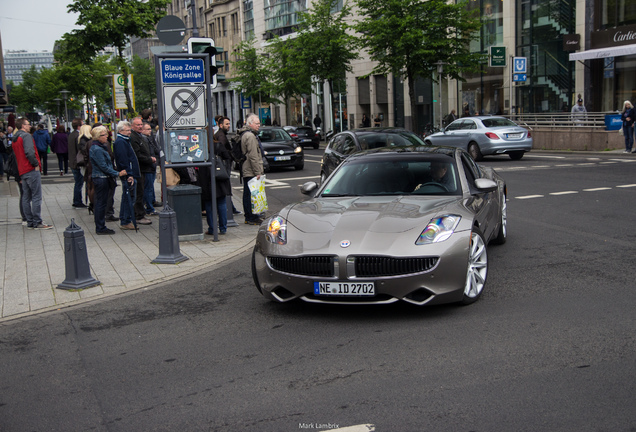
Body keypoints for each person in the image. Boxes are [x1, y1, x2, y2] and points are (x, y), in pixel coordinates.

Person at [12, 118, 53, 229]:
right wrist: (35, 164)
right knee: (36, 196)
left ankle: (29, 220)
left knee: (26, 196)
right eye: (28, 124)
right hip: (30, 169)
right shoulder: (26, 136)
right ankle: (37, 221)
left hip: (22, 170)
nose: (30, 126)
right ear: (23, 126)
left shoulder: (15, 139)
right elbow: (29, 152)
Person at [89, 126, 127, 235]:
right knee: (101, 203)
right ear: (97, 137)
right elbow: (103, 166)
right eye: (104, 135)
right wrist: (117, 173)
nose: (107, 137)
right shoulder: (97, 149)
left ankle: (101, 226)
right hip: (101, 178)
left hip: (102, 177)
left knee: (102, 202)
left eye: (106, 134)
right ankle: (100, 227)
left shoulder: (100, 147)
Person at [199, 138, 232, 235]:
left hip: (206, 178)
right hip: (219, 178)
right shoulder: (218, 145)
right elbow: (228, 158)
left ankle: (212, 229)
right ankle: (223, 228)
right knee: (221, 203)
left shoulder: (200, 146)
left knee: (209, 205)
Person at [112, 121, 139, 230]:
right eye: (127, 130)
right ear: (120, 131)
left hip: (129, 173)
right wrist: (129, 174)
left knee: (127, 197)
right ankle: (126, 220)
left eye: (129, 130)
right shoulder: (121, 142)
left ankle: (125, 219)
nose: (129, 132)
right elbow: (123, 160)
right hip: (128, 174)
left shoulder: (124, 141)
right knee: (129, 197)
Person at [238, 113, 264, 225]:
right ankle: (251, 217)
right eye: (257, 123)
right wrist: (258, 172)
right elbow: (253, 155)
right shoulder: (250, 136)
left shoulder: (245, 134)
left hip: (247, 168)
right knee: (251, 195)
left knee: (248, 194)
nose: (259, 125)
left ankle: (249, 216)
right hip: (250, 170)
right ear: (250, 123)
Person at [129, 117, 153, 225]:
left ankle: (139, 213)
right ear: (132, 126)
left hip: (143, 168)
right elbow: (137, 155)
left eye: (140, 125)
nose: (140, 126)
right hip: (139, 169)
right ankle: (138, 215)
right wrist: (149, 159)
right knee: (139, 192)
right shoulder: (133, 137)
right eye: (137, 125)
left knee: (142, 191)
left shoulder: (139, 136)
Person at [141, 122, 159, 215]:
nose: (150, 131)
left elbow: (155, 149)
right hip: (148, 167)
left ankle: (147, 205)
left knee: (149, 187)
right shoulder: (144, 139)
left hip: (151, 166)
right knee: (148, 188)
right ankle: (149, 208)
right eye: (148, 129)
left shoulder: (149, 138)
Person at [68, 118, 86, 208]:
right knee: (79, 183)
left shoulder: (71, 134)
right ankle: (77, 201)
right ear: (79, 126)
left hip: (72, 161)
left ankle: (77, 200)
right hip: (77, 162)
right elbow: (79, 149)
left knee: (78, 182)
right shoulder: (78, 136)